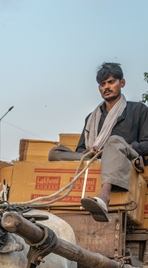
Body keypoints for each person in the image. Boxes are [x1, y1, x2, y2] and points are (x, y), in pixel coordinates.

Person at [48, 63, 148, 222]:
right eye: (102, 84)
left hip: (127, 158)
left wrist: (129, 146)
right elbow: (81, 148)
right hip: (97, 157)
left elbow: (146, 143)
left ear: (121, 83)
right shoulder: (91, 118)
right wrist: (87, 152)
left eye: (111, 82)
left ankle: (104, 197)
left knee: (114, 141)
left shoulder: (138, 110)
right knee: (55, 152)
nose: (106, 87)